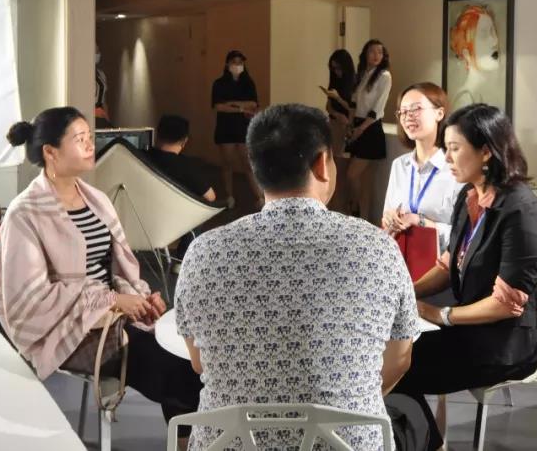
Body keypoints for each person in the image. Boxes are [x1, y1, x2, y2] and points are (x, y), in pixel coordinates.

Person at [174, 104, 431, 451]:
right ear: (322, 163)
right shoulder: (378, 248)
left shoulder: (203, 252)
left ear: (255, 166)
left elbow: (199, 361)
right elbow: (400, 358)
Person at [0, 107, 201, 434]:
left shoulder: (96, 200)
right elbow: (30, 299)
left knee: (193, 355)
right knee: (179, 369)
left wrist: (138, 299)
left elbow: (119, 269)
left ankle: (189, 441)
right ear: (50, 152)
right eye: (80, 139)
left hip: (112, 317)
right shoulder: (25, 214)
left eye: (89, 137)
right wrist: (112, 301)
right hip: (69, 330)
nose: (90, 145)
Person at [392, 104, 537, 451]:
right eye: (446, 148)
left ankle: (428, 445)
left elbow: (505, 305)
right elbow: (447, 266)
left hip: (507, 343)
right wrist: (405, 292)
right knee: (392, 355)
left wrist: (439, 314)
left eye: (455, 148)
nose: (447, 158)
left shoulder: (520, 210)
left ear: (486, 151)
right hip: (474, 330)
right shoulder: (469, 196)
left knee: (397, 367)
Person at [382, 82, 464, 252]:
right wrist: (389, 219)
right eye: (403, 111)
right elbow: (386, 218)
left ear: (439, 113)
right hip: (399, 259)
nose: (408, 116)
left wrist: (420, 222)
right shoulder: (399, 165)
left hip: (441, 263)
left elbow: (467, 236)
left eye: (416, 109)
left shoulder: (456, 168)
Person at [328, 39, 392, 221]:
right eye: (372, 52)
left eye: (380, 52)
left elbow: (377, 108)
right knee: (361, 181)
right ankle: (360, 215)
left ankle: (356, 211)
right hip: (358, 126)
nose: (376, 56)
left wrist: (360, 129)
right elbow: (354, 104)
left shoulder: (384, 76)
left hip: (370, 129)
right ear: (365, 54)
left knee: (352, 175)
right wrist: (351, 125)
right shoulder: (364, 74)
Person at [146, 114, 217, 261]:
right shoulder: (187, 166)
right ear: (185, 140)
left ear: (157, 134)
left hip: (138, 220)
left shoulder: (140, 157)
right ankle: (184, 257)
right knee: (200, 208)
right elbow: (210, 197)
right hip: (174, 222)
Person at [211, 50, 263, 209]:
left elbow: (253, 104)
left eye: (240, 62)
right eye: (234, 62)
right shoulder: (219, 83)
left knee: (248, 163)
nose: (238, 65)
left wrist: (232, 104)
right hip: (225, 128)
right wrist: (241, 108)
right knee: (227, 164)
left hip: (243, 128)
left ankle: (260, 197)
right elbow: (219, 106)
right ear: (227, 64)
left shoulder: (248, 82)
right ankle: (229, 196)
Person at [447, 5, 501, 111]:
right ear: (466, 52)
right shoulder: (465, 99)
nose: (495, 41)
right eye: (484, 35)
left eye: (494, 32)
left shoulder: (480, 93)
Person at [324, 49, 357, 211]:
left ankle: (342, 207)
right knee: (331, 169)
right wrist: (336, 113)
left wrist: (338, 98)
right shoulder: (335, 82)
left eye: (338, 68)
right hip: (333, 125)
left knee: (341, 172)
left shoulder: (354, 84)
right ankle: (331, 205)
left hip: (346, 129)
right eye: (333, 68)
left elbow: (353, 109)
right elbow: (328, 106)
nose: (336, 72)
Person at [94, 44, 113, 128]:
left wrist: (107, 119)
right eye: (95, 51)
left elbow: (104, 100)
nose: (97, 54)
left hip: (101, 116)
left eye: (98, 51)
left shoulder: (101, 74)